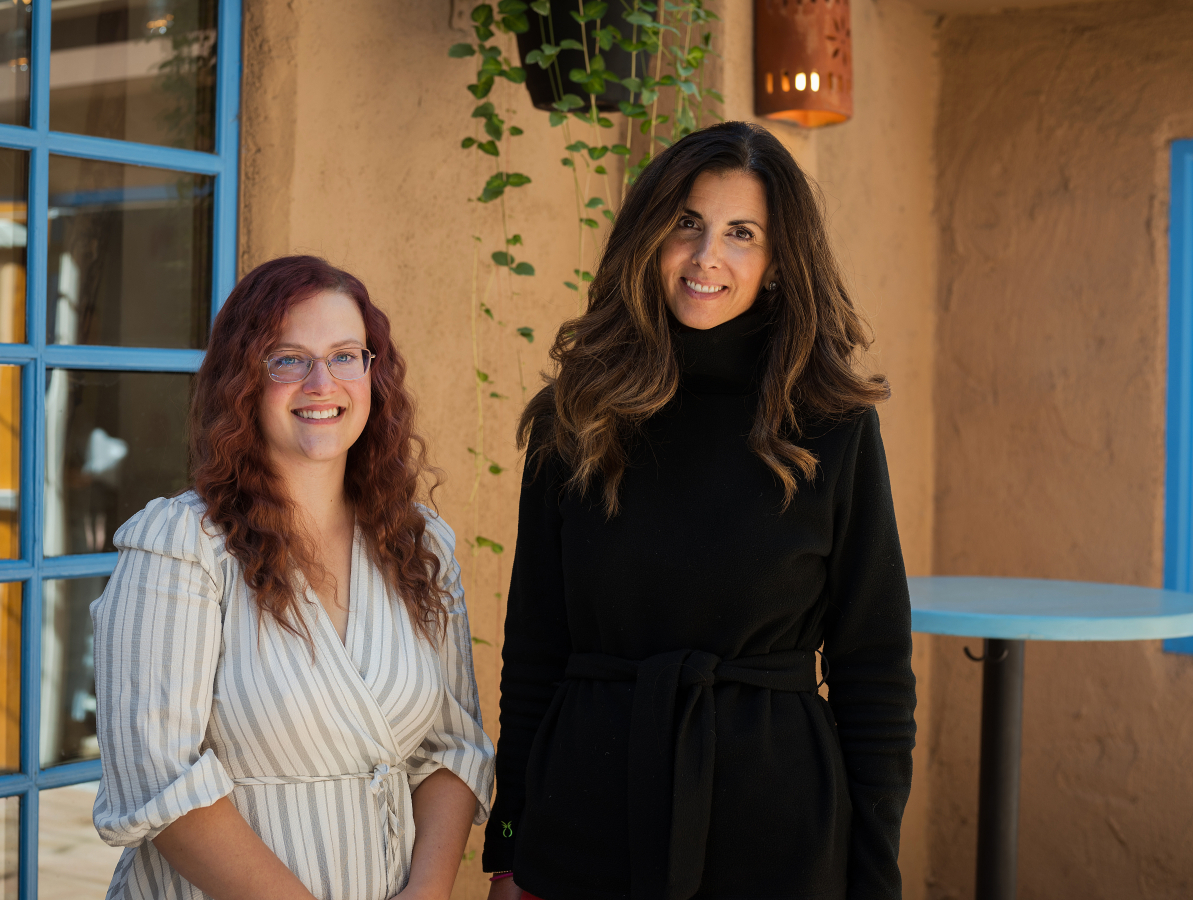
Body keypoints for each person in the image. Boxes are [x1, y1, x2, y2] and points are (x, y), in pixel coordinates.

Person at [482, 121, 917, 900]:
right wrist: (510, 844)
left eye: (742, 233)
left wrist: (874, 877)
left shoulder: (832, 427)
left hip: (778, 831)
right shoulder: (576, 416)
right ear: (649, 235)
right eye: (687, 223)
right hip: (584, 820)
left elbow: (873, 669)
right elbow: (535, 648)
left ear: (780, 260)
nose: (707, 255)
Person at [92, 255, 495, 900]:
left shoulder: (419, 542)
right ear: (243, 381)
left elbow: (453, 746)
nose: (321, 381)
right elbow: (159, 783)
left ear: (373, 376)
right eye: (288, 359)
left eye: (345, 356)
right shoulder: (182, 546)